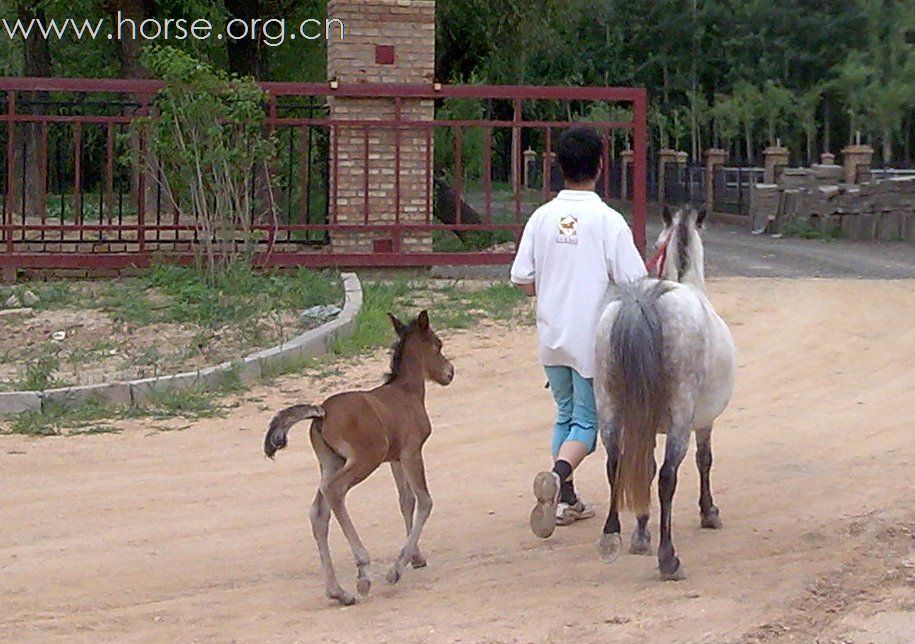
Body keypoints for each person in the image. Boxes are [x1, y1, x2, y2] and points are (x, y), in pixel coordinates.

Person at [510, 125, 647, 538]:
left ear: (559, 168)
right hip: (593, 343)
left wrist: (551, 286)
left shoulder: (542, 217)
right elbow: (635, 284)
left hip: (552, 337)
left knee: (566, 415)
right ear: (601, 167)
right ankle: (557, 476)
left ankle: (566, 500)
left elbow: (520, 277)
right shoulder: (608, 221)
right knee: (587, 426)